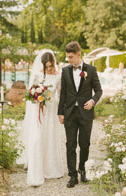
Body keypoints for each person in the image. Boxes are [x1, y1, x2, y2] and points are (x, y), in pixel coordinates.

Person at [58, 41, 102, 188]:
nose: (69, 60)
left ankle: (83, 169)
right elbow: (63, 93)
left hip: (86, 113)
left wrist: (93, 101)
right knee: (70, 144)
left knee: (85, 144)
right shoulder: (65, 71)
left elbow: (99, 91)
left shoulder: (91, 69)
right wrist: (60, 112)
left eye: (71, 57)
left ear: (78, 55)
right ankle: (72, 176)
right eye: (67, 57)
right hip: (70, 113)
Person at [17, 49, 64, 186]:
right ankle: (36, 165)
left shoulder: (58, 76)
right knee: (38, 137)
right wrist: (35, 96)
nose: (49, 69)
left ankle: (50, 167)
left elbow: (60, 96)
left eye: (51, 66)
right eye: (47, 66)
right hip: (38, 110)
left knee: (50, 136)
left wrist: (61, 112)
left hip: (51, 111)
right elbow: (30, 92)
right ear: (42, 65)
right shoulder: (37, 75)